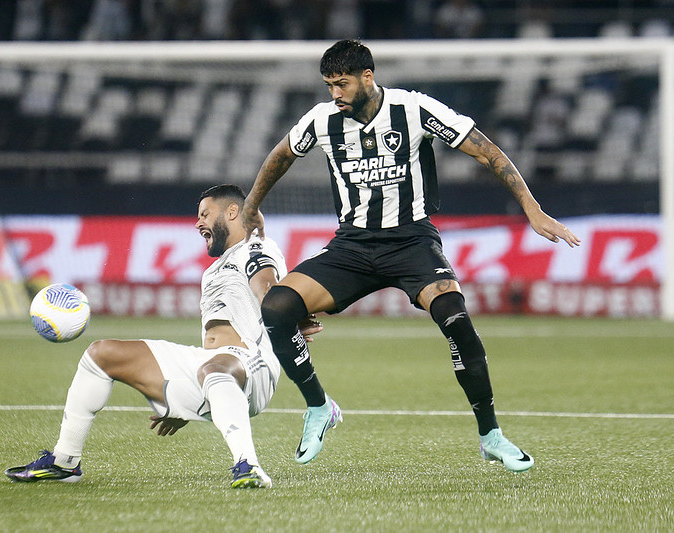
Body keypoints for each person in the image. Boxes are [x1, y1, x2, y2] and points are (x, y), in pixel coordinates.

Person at [242, 39, 581, 471]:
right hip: (353, 246)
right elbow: (281, 155)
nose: (335, 94)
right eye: (329, 86)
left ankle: (491, 436)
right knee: (277, 307)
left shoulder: (414, 109)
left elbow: (487, 151)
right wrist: (251, 206)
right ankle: (318, 406)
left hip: (412, 243)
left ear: (368, 76)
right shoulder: (322, 120)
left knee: (455, 318)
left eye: (342, 84)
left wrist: (532, 210)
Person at [6, 184, 304, 489]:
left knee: (215, 369)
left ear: (231, 212)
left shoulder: (256, 248)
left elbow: (266, 284)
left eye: (205, 214)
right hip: (211, 368)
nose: (198, 222)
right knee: (100, 355)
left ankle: (248, 466)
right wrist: (188, 402)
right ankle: (64, 461)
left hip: (254, 366)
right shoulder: (213, 272)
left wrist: (284, 311)